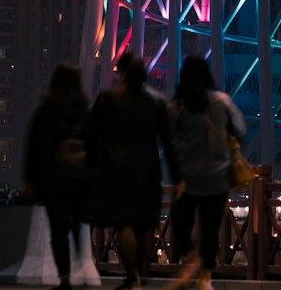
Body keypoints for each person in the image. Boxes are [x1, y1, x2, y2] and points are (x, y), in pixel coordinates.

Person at [85, 53, 180, 290]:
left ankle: (133, 278)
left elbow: (91, 136)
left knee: (124, 223)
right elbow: (167, 142)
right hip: (149, 169)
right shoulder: (157, 101)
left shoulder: (107, 98)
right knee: (147, 223)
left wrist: (91, 167)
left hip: (117, 170)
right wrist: (177, 177)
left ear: (122, 72)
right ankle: (140, 273)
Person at [167, 56, 246, 290]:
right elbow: (240, 130)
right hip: (217, 177)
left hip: (187, 179)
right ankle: (205, 278)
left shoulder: (177, 107)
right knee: (211, 229)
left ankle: (190, 258)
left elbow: (167, 140)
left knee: (180, 223)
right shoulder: (222, 102)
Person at [23, 64, 90, 290]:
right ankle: (83, 263)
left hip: (54, 179)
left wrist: (31, 180)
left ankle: (64, 277)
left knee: (58, 230)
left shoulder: (47, 110)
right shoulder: (85, 111)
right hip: (80, 178)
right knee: (78, 223)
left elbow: (35, 147)